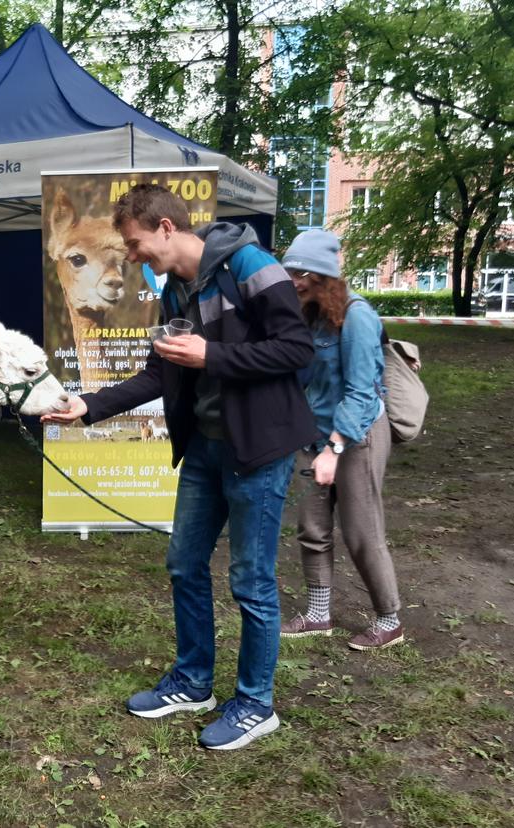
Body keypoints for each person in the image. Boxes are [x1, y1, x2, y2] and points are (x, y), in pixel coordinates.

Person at [42, 184, 318, 750]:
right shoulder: (174, 293)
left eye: (137, 244)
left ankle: (255, 703)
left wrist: (212, 355)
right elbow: (156, 375)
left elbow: (296, 349)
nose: (134, 257)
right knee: (184, 564)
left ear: (167, 228)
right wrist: (87, 405)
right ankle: (193, 682)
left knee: (252, 582)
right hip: (204, 449)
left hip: (257, 452)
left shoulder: (251, 265)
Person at [279, 229, 404, 650]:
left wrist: (334, 447)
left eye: (301, 272)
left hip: (358, 432)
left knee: (360, 531)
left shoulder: (357, 316)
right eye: (289, 270)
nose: (293, 279)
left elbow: (361, 391)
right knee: (312, 528)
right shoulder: (306, 315)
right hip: (313, 433)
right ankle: (318, 614)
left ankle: (389, 619)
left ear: (323, 274)